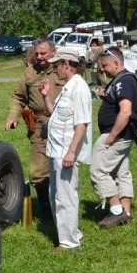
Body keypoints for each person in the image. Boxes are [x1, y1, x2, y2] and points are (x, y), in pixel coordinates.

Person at [4, 37, 65, 225]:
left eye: (43, 53)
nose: (39, 57)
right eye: (36, 53)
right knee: (37, 173)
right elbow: (18, 97)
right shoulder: (30, 74)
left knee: (62, 170)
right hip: (39, 126)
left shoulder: (64, 70)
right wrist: (13, 117)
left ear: (53, 52)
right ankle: (46, 210)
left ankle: (63, 209)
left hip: (62, 125)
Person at [40, 47, 92, 251]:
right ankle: (72, 234)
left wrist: (71, 152)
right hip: (57, 151)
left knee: (65, 196)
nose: (54, 70)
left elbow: (82, 124)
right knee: (57, 194)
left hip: (65, 152)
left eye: (56, 66)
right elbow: (56, 115)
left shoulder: (79, 88)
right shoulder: (68, 87)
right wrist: (46, 96)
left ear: (67, 64)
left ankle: (69, 242)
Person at [90, 46, 137, 229]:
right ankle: (126, 212)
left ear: (117, 63)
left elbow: (125, 111)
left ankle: (116, 210)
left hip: (116, 135)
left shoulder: (123, 82)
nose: (102, 69)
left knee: (97, 171)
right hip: (125, 134)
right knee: (121, 171)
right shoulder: (122, 80)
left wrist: (111, 136)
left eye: (105, 65)